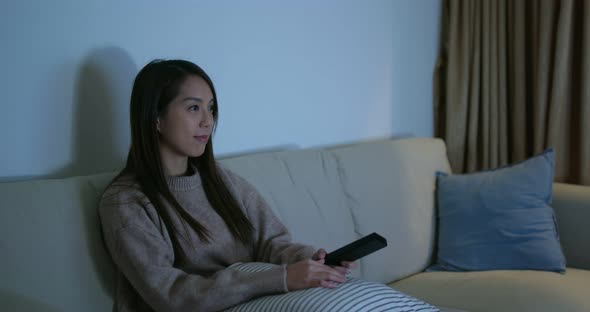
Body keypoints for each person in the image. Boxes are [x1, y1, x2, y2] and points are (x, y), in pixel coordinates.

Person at [99, 59, 355, 312]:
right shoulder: (125, 202)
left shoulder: (221, 180)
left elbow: (270, 243)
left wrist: (310, 261)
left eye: (210, 108)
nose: (208, 121)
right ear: (156, 118)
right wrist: (283, 278)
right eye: (193, 108)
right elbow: (171, 295)